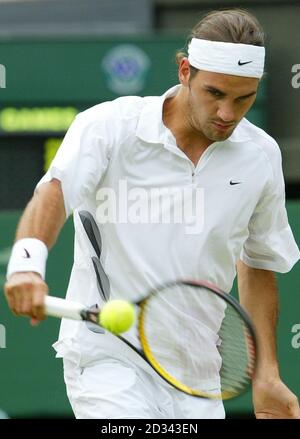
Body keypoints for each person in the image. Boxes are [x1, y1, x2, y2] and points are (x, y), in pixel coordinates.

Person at [4, 8, 300, 419]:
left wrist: (267, 373)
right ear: (184, 71)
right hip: (107, 358)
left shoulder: (261, 155)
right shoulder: (109, 126)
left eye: (243, 98)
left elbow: (258, 262)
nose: (228, 114)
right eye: (215, 93)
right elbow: (55, 192)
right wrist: (26, 265)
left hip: (198, 373)